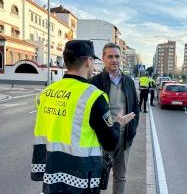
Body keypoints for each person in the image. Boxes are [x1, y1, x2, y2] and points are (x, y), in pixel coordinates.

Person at [31, 40, 135, 194]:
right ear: (88, 61)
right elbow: (110, 141)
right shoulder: (92, 96)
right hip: (80, 176)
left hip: (52, 171)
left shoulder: (45, 93)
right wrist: (118, 123)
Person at [90, 43, 139, 194]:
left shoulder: (129, 82)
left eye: (117, 56)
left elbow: (135, 107)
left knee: (121, 177)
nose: (114, 60)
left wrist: (132, 130)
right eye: (110, 56)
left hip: (124, 138)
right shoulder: (95, 82)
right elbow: (90, 112)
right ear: (103, 59)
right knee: (97, 176)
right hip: (103, 138)